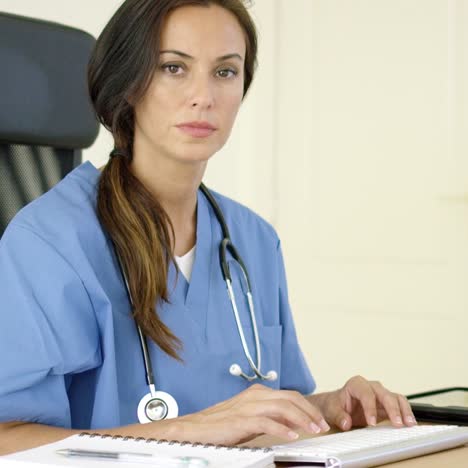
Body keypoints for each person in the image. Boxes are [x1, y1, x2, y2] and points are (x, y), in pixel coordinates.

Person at [0, 0, 416, 455]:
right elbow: (9, 441)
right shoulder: (50, 242)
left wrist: (333, 409)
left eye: (225, 72)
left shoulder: (253, 239)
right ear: (127, 83)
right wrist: (190, 429)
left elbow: (265, 414)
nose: (204, 96)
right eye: (174, 68)